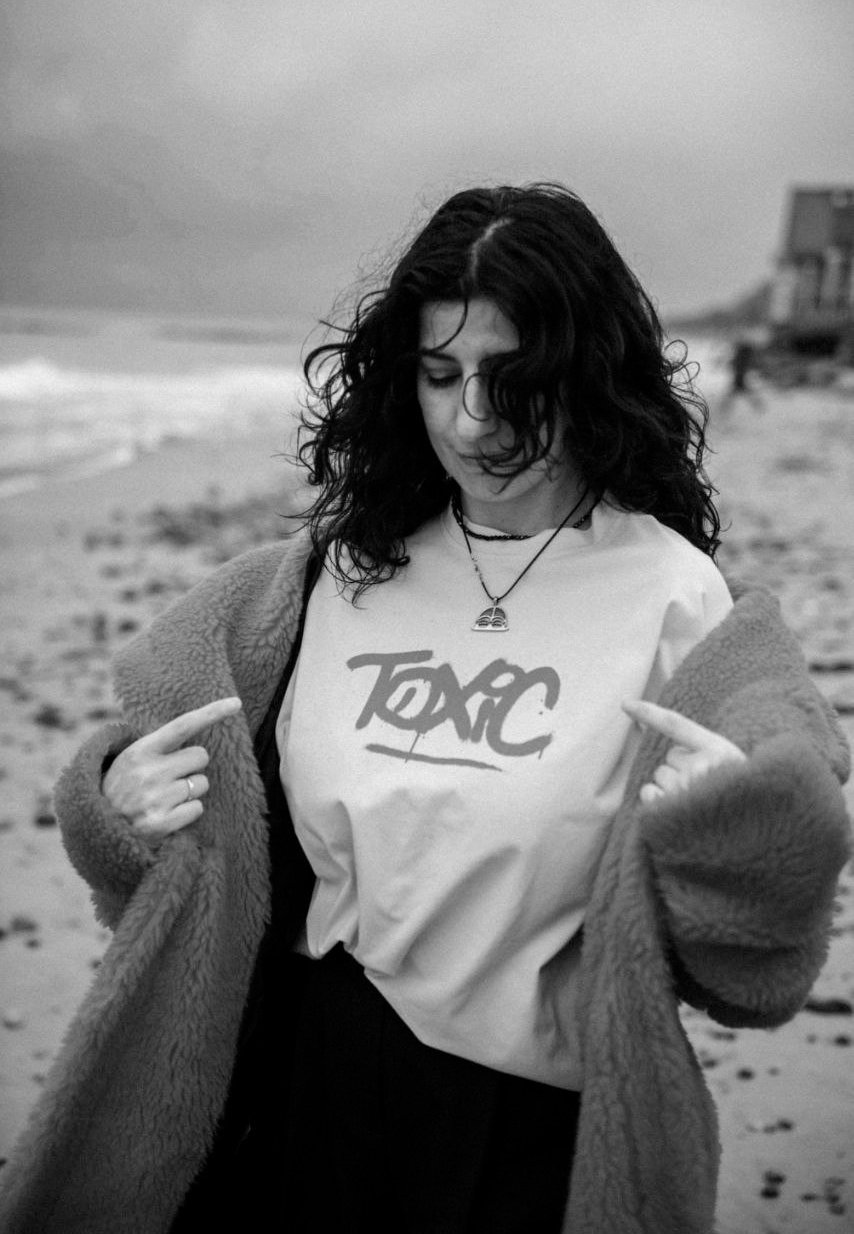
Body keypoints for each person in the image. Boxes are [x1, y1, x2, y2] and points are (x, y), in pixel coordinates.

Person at [0, 183, 849, 1234]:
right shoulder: (335, 573)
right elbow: (186, 817)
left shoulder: (676, 599)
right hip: (302, 1083)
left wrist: (736, 833)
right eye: (441, 374)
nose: (471, 419)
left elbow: (755, 960)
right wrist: (115, 803)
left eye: (513, 377)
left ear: (584, 372)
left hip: (525, 1127)